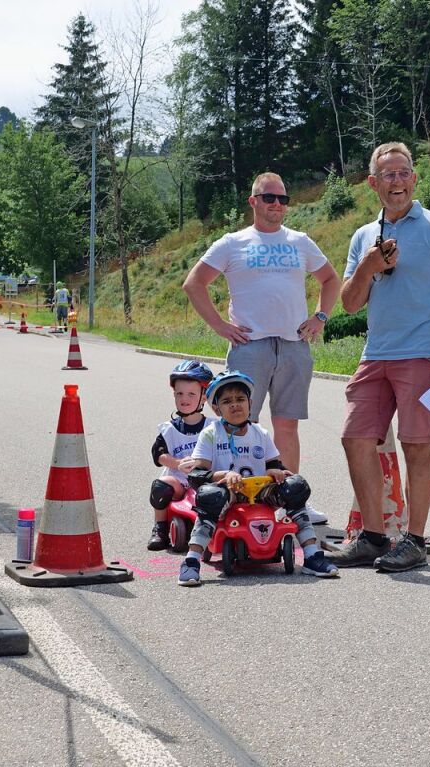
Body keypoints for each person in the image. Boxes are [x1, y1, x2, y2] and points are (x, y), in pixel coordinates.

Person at [326, 142, 430, 573]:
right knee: (355, 438)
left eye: (403, 172)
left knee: (415, 444)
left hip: (423, 354)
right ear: (373, 183)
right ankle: (373, 537)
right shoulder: (362, 237)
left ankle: (414, 539)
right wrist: (369, 266)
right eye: (387, 174)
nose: (397, 181)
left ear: (414, 178)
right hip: (376, 355)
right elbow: (350, 305)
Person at [183, 172, 340, 525]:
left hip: (294, 346)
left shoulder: (300, 241)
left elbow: (331, 279)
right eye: (270, 198)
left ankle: (291, 500)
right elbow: (194, 284)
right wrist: (220, 326)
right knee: (240, 425)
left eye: (283, 199)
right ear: (253, 201)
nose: (277, 205)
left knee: (287, 427)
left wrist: (320, 317)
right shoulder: (232, 242)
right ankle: (234, 500)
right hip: (249, 347)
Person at [177, 370, 339, 586]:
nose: (235, 405)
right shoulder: (211, 433)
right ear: (216, 408)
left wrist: (276, 472)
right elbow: (197, 475)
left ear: (250, 402)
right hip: (229, 495)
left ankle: (311, 555)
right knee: (210, 495)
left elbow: (273, 464)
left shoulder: (260, 433)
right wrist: (223, 475)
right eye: (227, 401)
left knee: (295, 486)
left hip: (259, 493)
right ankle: (192, 560)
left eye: (240, 399)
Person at [147, 360, 215, 551]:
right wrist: (176, 463)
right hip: (180, 482)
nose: (184, 399)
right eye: (179, 394)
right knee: (161, 486)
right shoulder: (169, 429)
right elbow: (158, 454)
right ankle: (159, 528)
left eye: (191, 394)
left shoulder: (213, 426)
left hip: (205, 480)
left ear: (203, 397)